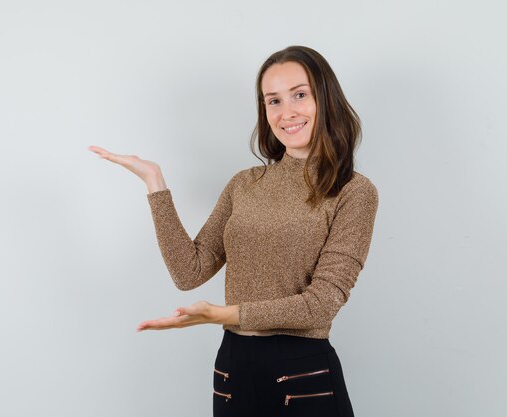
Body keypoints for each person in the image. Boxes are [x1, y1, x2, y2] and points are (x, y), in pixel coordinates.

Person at [88, 45, 379, 417]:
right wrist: (155, 183)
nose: (286, 112)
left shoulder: (354, 192)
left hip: (303, 374)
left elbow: (321, 304)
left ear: (326, 99)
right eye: (272, 101)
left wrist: (221, 314)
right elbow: (188, 272)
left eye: (300, 95)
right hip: (233, 370)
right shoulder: (244, 184)